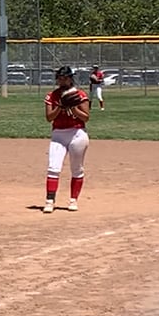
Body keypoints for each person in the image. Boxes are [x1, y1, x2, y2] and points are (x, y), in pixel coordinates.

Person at [42, 66, 91, 213]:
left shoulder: (80, 95)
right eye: (59, 78)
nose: (61, 81)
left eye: (64, 78)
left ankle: (73, 200)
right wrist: (60, 106)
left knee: (76, 168)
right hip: (58, 134)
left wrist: (74, 107)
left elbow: (85, 117)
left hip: (77, 133)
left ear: (70, 79)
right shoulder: (52, 95)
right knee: (53, 168)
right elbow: (49, 117)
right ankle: (49, 201)